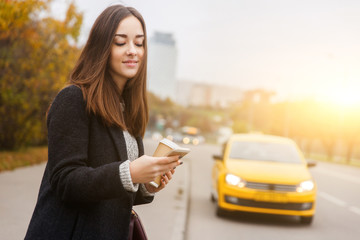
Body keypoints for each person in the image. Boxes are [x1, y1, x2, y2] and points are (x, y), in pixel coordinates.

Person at [25, 4, 182, 240]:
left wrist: (147, 185)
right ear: (102, 47)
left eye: (139, 43)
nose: (133, 51)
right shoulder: (73, 99)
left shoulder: (127, 110)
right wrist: (129, 172)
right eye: (121, 42)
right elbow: (66, 182)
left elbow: (114, 193)